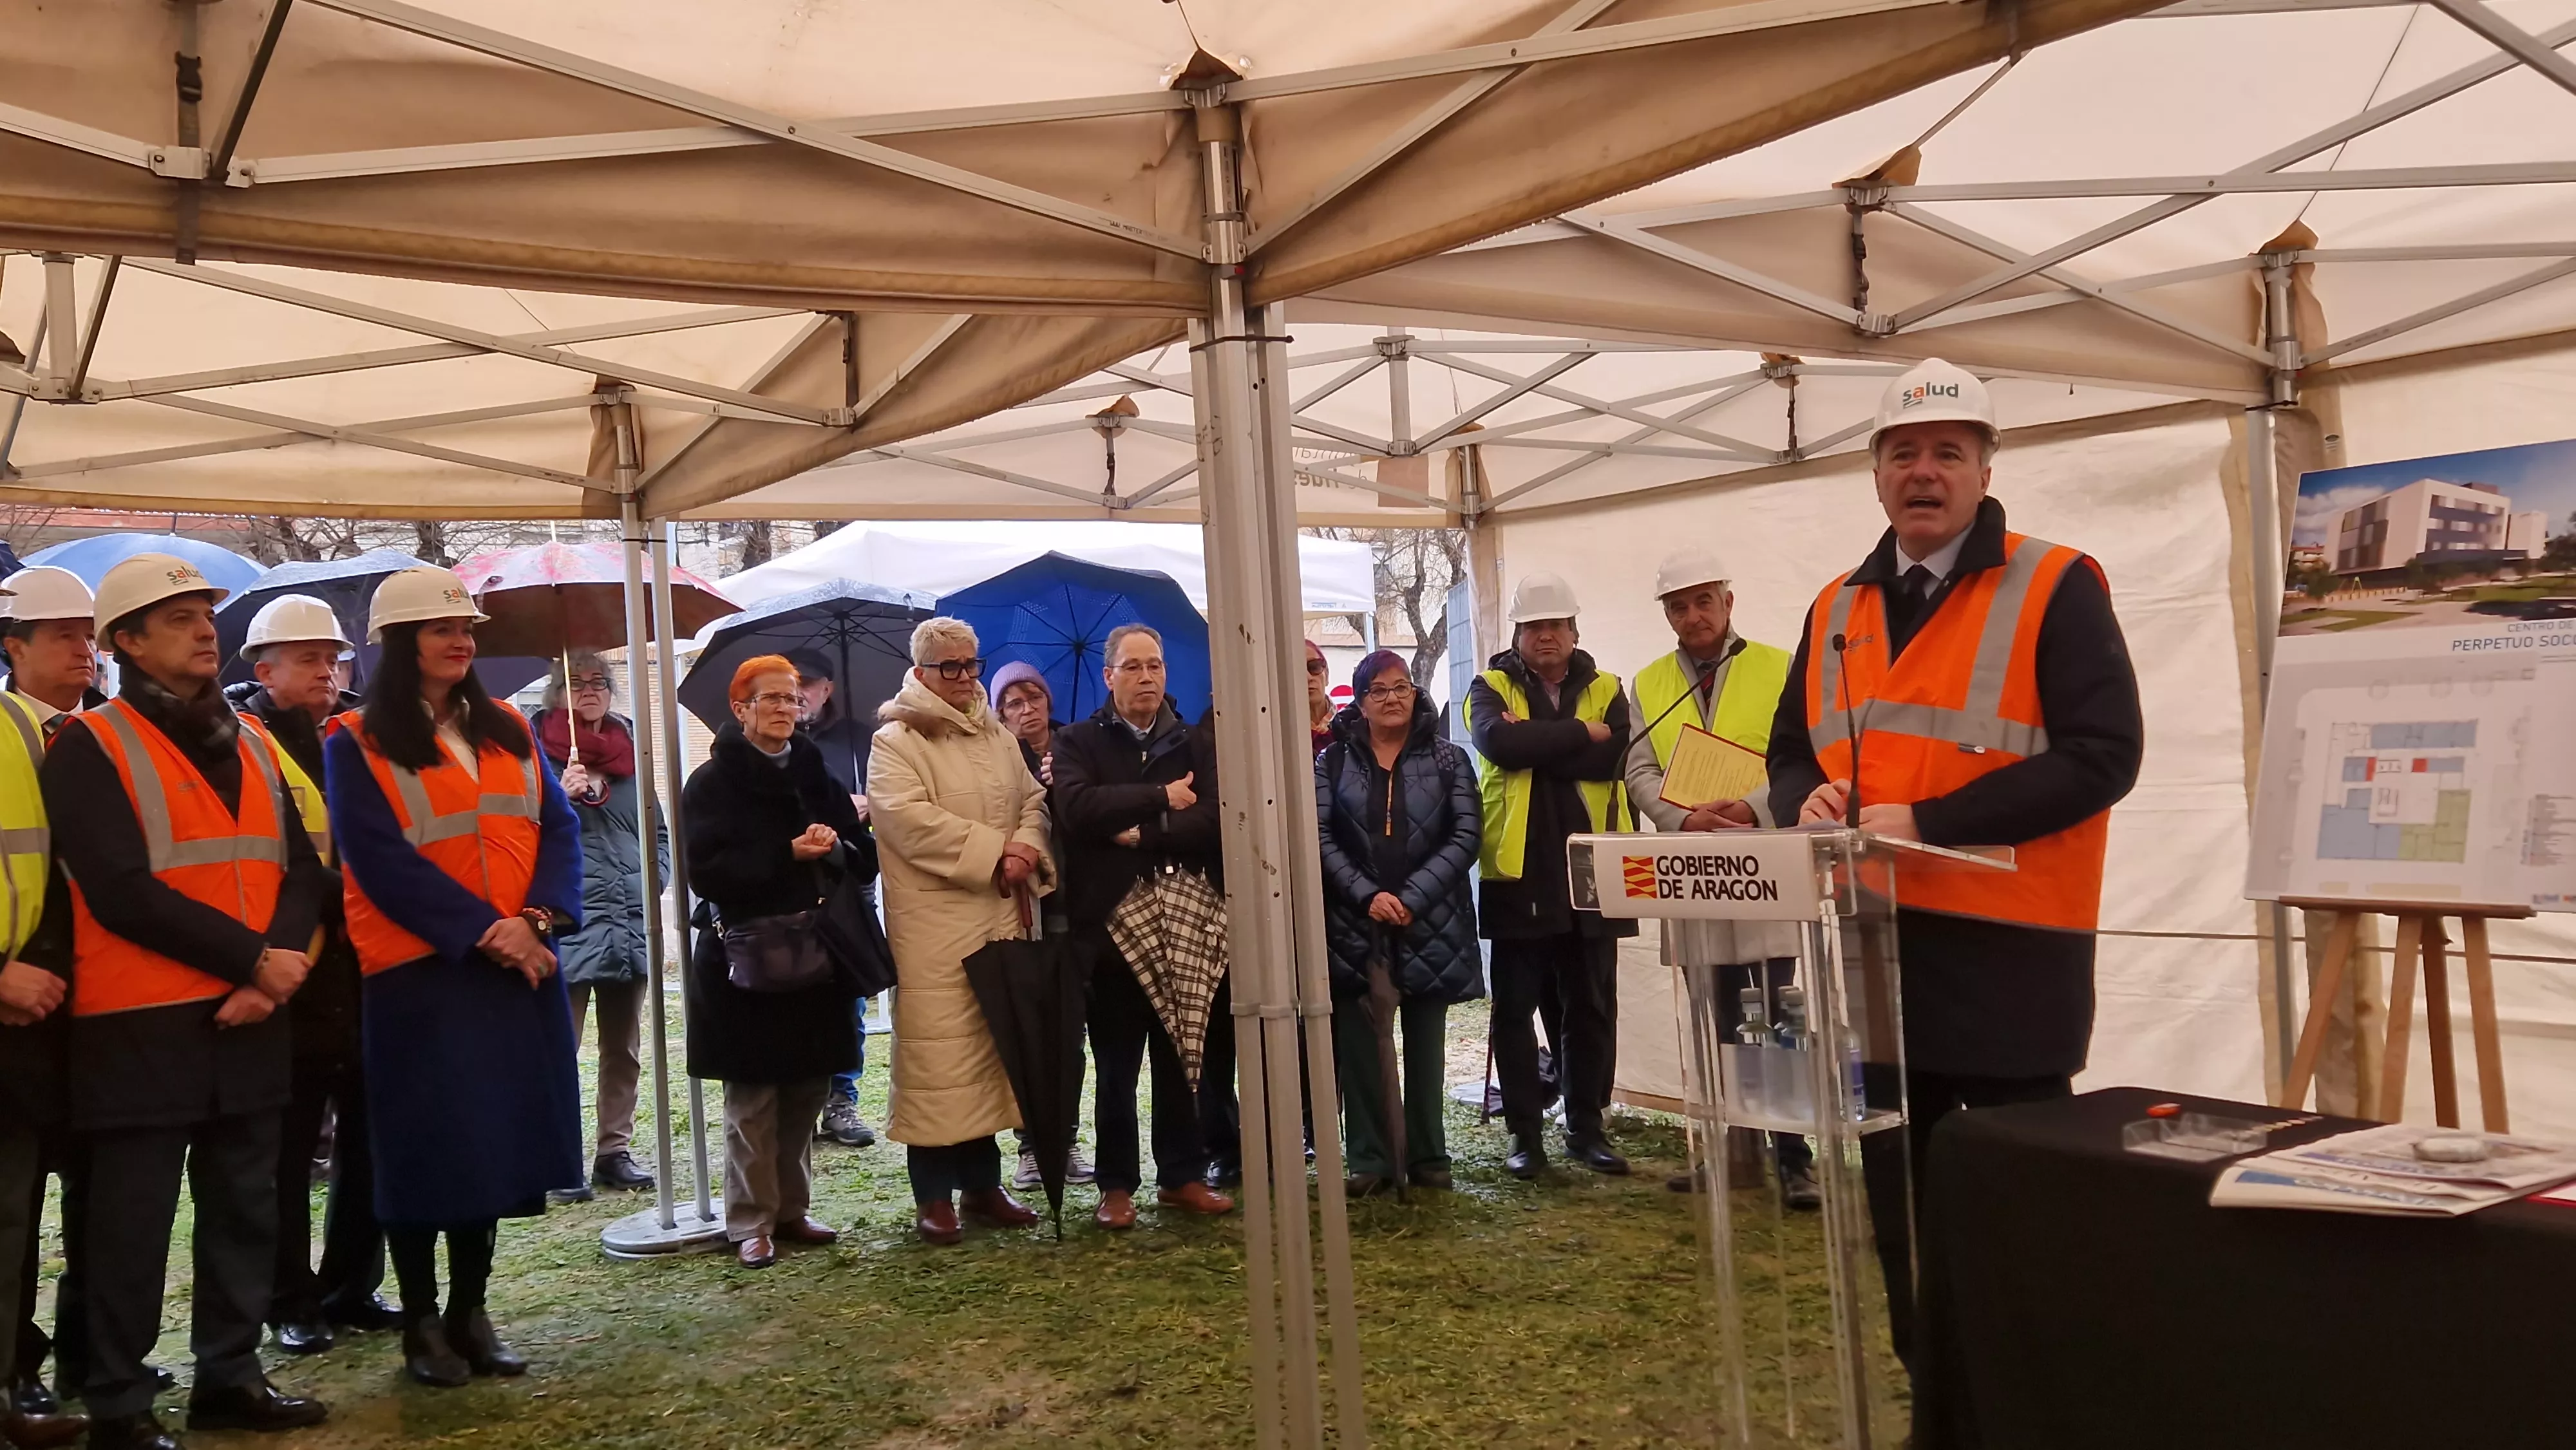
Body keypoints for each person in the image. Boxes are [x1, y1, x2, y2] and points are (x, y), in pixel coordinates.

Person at [1766, 359, 2143, 1362]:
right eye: (1903, 454)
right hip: (1880, 949)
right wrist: (1800, 797)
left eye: (1946, 453)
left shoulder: (2057, 581)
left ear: (1984, 468)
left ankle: (2032, 1392)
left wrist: (1928, 821)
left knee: (2025, 1200)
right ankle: (1928, 1386)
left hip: (2013, 951)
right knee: (1901, 1201)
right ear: (1877, 474)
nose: (1922, 473)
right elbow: (1791, 745)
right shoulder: (1835, 606)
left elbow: (2104, 757)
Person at [46, 555, 332, 1449]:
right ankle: (119, 1405)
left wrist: (275, 964)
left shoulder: (253, 740)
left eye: (205, 615)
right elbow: (121, 888)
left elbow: (301, 866)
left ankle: (229, 1374)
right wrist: (257, 963)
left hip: (250, 1017)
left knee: (247, 1205)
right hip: (138, 1025)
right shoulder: (90, 744)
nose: (205, 630)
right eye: (177, 619)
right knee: (131, 1223)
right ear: (125, 643)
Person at [323, 566, 583, 1390]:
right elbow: (378, 858)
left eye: (466, 627)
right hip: (418, 974)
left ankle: (472, 1309)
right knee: (424, 1150)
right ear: (400, 645)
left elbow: (560, 829)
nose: (461, 639)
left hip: (517, 962)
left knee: (493, 1146)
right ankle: (423, 1321)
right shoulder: (352, 738)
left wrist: (537, 920)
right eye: (440, 629)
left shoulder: (507, 724)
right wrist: (485, 932)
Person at [1622, 549, 1819, 1209]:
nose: (1693, 614)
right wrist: (1680, 819)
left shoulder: (1778, 665)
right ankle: (1729, 1152)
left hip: (1762, 857)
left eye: (1704, 600)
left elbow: (1801, 755)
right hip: (1690, 863)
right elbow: (1638, 766)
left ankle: (1793, 1156)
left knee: (1773, 1009)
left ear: (1728, 603)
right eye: (1679, 605)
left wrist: (1750, 807)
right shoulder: (1648, 682)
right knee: (1711, 1012)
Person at [233, 597, 397, 1357]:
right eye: (308, 658)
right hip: (293, 973)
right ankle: (289, 1300)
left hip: (367, 969)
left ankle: (352, 1285)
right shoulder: (240, 742)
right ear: (263, 669)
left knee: (370, 1140)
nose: (327, 670)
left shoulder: (364, 733)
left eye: (332, 657)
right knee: (288, 1154)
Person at [681, 655, 868, 1270]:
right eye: (773, 700)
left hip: (817, 952)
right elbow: (704, 870)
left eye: (793, 698)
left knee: (808, 1085)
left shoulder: (819, 773)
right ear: (741, 710)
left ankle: (792, 1210)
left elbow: (862, 852)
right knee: (756, 1094)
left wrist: (835, 847)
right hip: (747, 958)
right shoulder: (712, 783)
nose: (788, 708)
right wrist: (783, 852)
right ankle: (751, 1221)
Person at [866, 619, 1049, 1245]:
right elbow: (904, 819)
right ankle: (933, 1195)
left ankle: (982, 1185)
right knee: (936, 1057)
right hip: (935, 925)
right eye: (952, 667)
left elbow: (1033, 799)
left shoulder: (997, 734)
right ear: (921, 672)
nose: (966, 677)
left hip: (999, 913)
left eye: (972, 664)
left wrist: (1026, 846)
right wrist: (995, 851)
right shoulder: (895, 741)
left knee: (991, 1053)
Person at [1050, 623, 1235, 1230]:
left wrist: (1141, 830)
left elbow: (1213, 817)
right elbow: (1076, 809)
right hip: (1108, 932)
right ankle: (1116, 1186)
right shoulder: (1076, 741)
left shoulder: (1197, 742)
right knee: (1117, 1064)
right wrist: (1160, 794)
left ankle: (1182, 1175)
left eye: (1154, 665)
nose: (1147, 677)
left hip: (1186, 922)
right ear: (1109, 677)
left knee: (1185, 1054)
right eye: (1133, 667)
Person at [1466, 572, 1636, 1181]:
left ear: (1574, 630)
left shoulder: (1611, 688)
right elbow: (1499, 747)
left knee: (1590, 1004)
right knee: (1514, 1009)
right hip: (1519, 871)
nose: (1546, 636)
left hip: (1594, 869)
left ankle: (1586, 1127)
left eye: (1555, 625)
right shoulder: (1489, 685)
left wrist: (1540, 738)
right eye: (1534, 626)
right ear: (1517, 632)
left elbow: (1615, 752)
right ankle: (1525, 1136)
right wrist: (1576, 737)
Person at [1315, 651, 1481, 1196]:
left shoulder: (1450, 758)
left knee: (1428, 1043)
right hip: (1354, 921)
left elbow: (1465, 837)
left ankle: (1430, 1154)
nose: (1392, 698)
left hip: (1431, 919)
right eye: (1379, 690)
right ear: (1359, 702)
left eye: (1402, 687)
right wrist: (1367, 896)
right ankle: (1370, 1158)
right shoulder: (1332, 764)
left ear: (1416, 693)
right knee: (1361, 1043)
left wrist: (1412, 896)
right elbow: (1320, 839)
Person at [0, 565, 99, 1422]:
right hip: (14, 1014)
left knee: (101, 1200)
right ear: (14, 646)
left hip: (99, 1013)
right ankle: (12, 1372)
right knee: (11, 1208)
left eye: (89, 632)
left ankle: (87, 1361)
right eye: (62, 633)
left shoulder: (104, 735)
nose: (83, 648)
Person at [529, 652, 663, 1201]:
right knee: (561, 1045)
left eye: (599, 682)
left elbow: (657, 831)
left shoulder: (633, 752)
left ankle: (615, 1151)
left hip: (628, 918)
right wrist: (558, 792)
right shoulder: (531, 753)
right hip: (568, 920)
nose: (589, 691)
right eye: (575, 682)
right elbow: (518, 834)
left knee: (624, 1046)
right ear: (556, 693)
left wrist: (652, 885)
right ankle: (555, 1158)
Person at [986, 661, 1092, 1192]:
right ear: (1000, 713)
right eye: (1013, 703)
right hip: (1024, 913)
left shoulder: (1074, 749)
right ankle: (1031, 1147)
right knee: (1032, 1032)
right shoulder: (995, 762)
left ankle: (1067, 1141)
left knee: (1071, 1035)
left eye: (1034, 699)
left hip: (1077, 910)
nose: (1026, 711)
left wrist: (1062, 787)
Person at [788, 648, 880, 1151]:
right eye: (789, 682)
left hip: (847, 882)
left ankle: (841, 1099)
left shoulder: (859, 741)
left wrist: (869, 809)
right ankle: (800, 1096)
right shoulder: (765, 745)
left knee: (849, 995)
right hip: (790, 887)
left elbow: (893, 805)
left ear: (828, 689)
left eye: (810, 682)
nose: (798, 692)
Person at [0, 569, 107, 728]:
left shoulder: (127, 726)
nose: (86, 652)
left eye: (91, 637)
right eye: (65, 636)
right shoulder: (6, 730)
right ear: (16, 649)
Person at [1303, 639, 1333, 756]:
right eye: (1297, 671)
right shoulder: (1280, 733)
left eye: (1314, 667)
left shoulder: (1352, 724)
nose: (1308, 677)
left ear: (1327, 675)